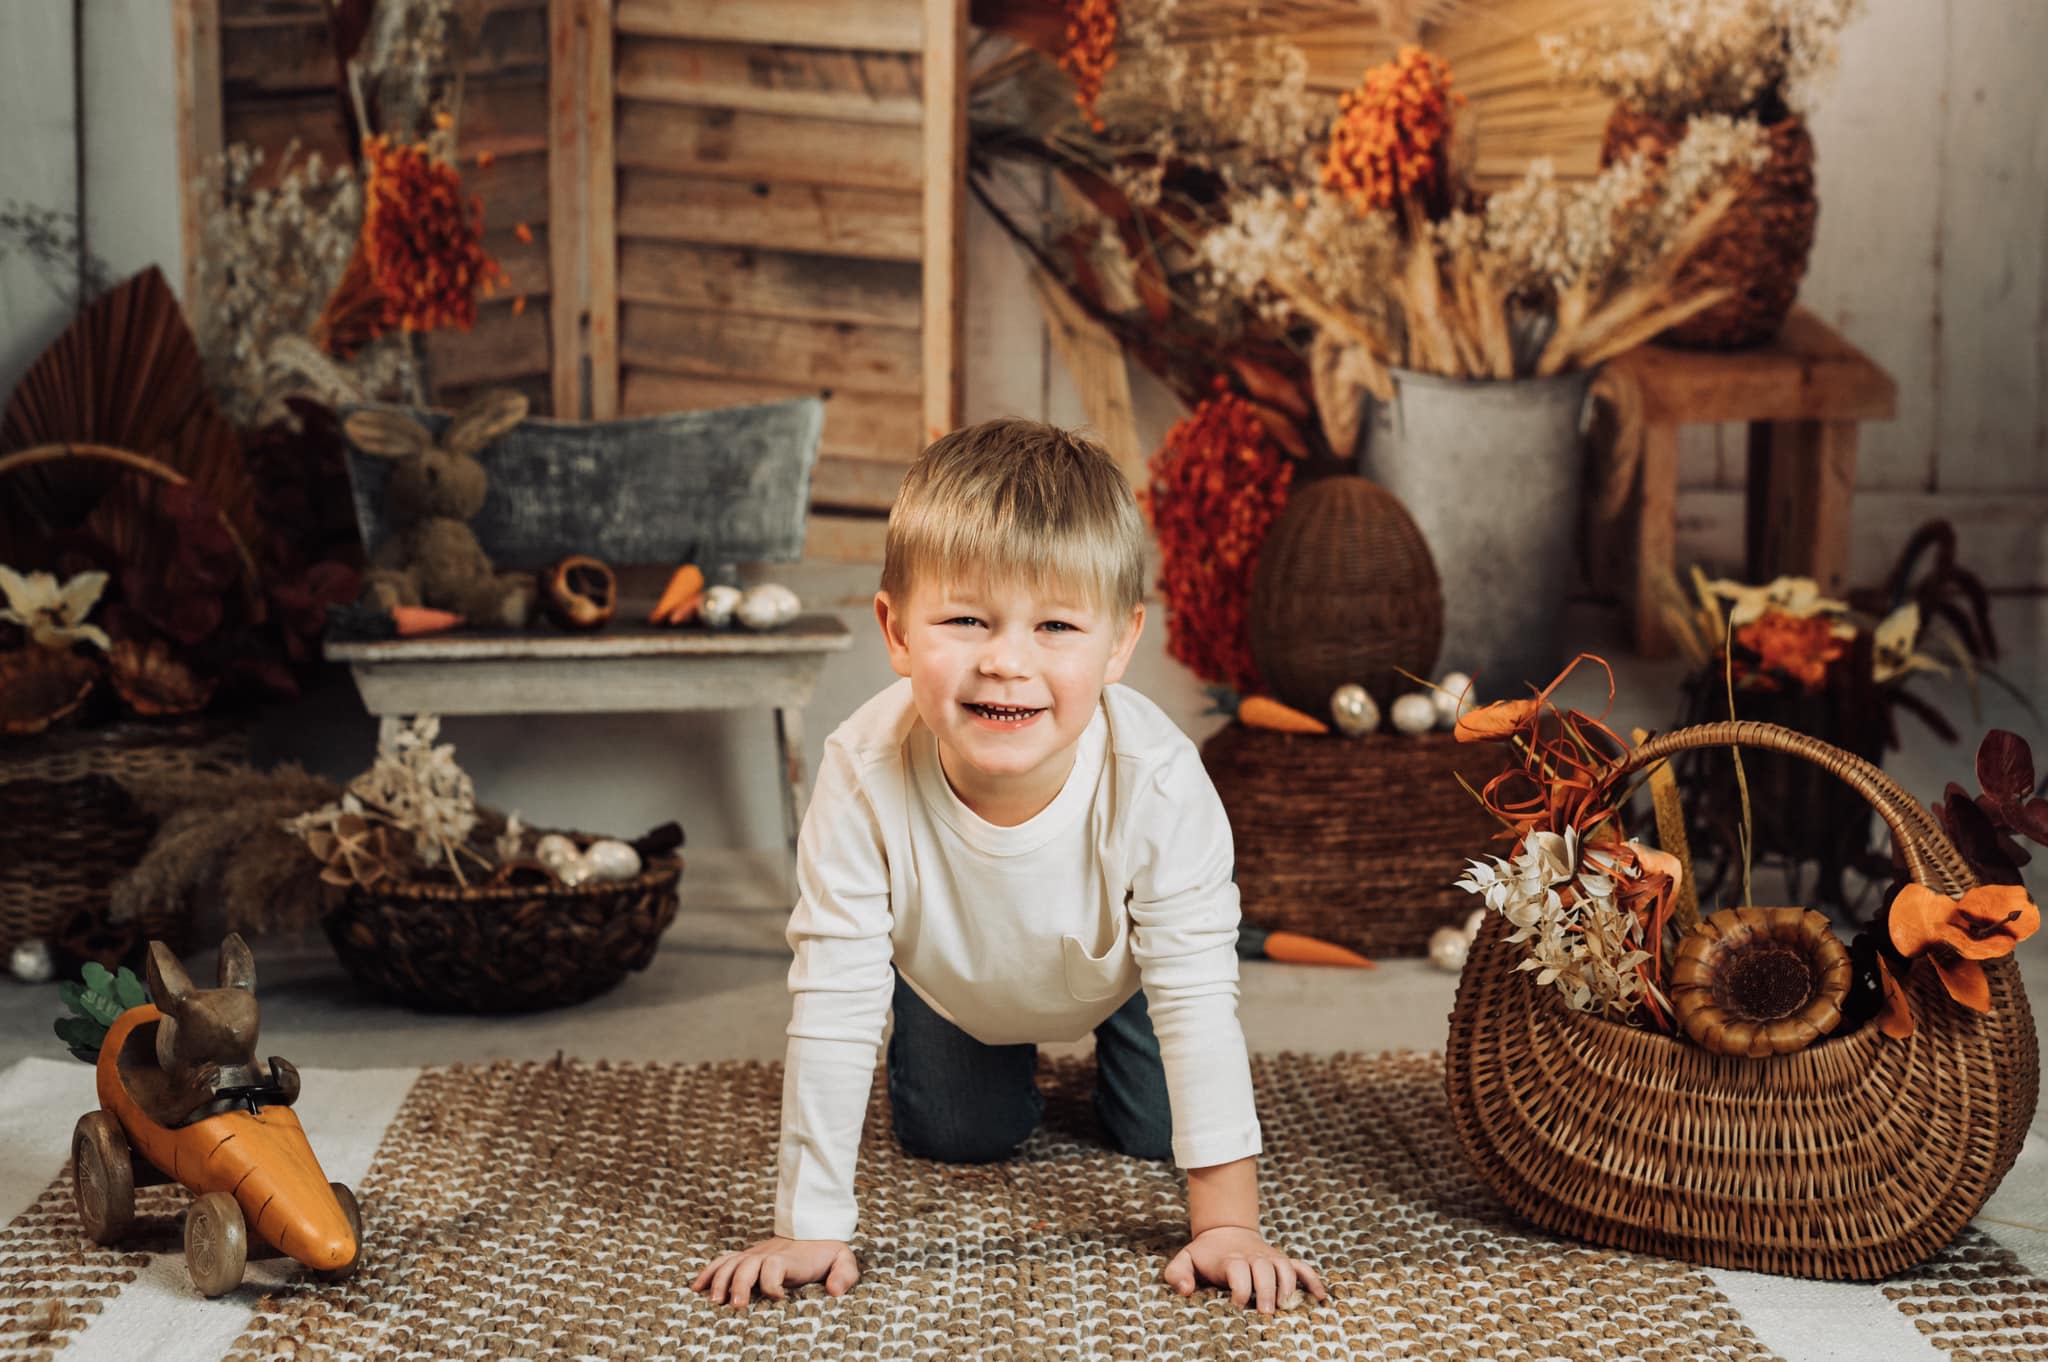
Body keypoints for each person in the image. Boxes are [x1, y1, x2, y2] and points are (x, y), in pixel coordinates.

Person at [690, 419, 1328, 1315]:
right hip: (955, 982)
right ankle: (983, 1051)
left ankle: (1113, 1056)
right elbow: (833, 998)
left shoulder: (1162, 779)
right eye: (964, 619)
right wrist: (810, 1222)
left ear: (1118, 644)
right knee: (958, 1136)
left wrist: (1227, 1225)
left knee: (1156, 1131)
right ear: (897, 631)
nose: (1005, 660)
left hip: (1124, 971)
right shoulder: (861, 771)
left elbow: (1196, 994)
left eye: (1056, 624)